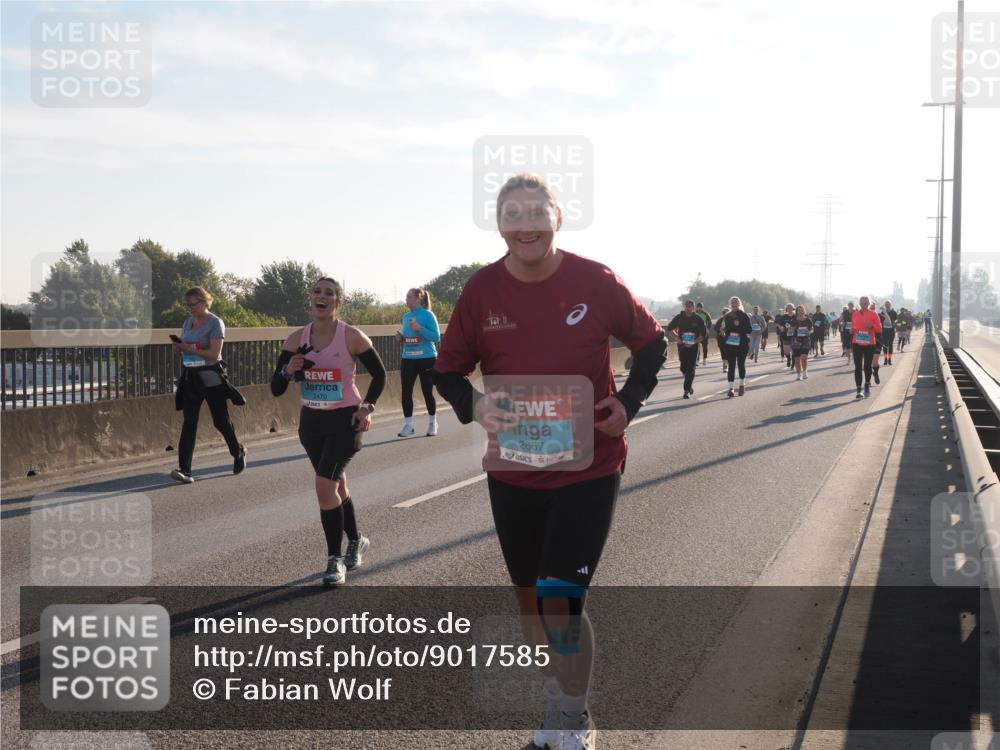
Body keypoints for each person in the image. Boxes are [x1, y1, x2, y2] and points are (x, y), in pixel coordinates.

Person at [432, 173, 666, 750]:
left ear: (557, 219)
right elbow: (446, 370)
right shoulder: (482, 290)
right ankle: (559, 698)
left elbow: (653, 343)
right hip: (513, 468)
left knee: (561, 595)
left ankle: (572, 717)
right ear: (500, 225)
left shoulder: (595, 279)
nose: (526, 224)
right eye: (513, 214)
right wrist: (477, 403)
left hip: (590, 463)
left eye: (537, 213)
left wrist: (628, 402)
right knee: (532, 603)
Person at [270, 277, 387, 586]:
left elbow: (380, 375)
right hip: (311, 424)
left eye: (329, 293)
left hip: (344, 421)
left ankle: (335, 561)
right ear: (311, 299)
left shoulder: (351, 336)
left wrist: (367, 407)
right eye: (317, 291)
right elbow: (276, 387)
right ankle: (357, 540)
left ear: (338, 302)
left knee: (324, 487)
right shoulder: (296, 339)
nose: (322, 296)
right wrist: (287, 370)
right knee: (336, 487)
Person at [170, 287, 246, 484]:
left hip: (211, 376)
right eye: (187, 305)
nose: (189, 308)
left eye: (193, 304)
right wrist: (179, 348)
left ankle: (237, 451)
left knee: (220, 421)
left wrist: (189, 349)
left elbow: (213, 354)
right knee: (189, 422)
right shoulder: (188, 322)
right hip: (191, 376)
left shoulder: (215, 323)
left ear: (205, 302)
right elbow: (185, 348)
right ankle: (185, 469)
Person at [397, 287, 441, 437]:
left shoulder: (428, 315)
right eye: (406, 297)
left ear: (418, 299)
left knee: (427, 392)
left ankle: (432, 422)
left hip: (426, 358)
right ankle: (408, 425)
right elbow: (409, 337)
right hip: (408, 358)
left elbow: (436, 337)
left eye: (409, 297)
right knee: (406, 393)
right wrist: (401, 337)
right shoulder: (405, 316)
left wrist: (419, 328)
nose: (406, 299)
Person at [667, 300, 707, 398]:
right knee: (683, 367)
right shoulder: (679, 317)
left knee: (691, 368)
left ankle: (686, 391)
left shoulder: (698, 319)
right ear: (684, 307)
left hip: (693, 346)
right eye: (686, 306)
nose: (688, 308)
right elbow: (669, 330)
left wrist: (694, 342)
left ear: (693, 308)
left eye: (690, 306)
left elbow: (703, 335)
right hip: (682, 346)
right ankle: (689, 385)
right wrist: (677, 338)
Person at [851, 296, 882, 399]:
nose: (863, 305)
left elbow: (879, 330)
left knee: (867, 367)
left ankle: (867, 385)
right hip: (857, 343)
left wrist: (872, 326)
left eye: (865, 303)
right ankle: (859, 390)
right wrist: (852, 330)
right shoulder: (855, 314)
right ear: (859, 303)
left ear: (868, 304)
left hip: (869, 344)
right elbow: (853, 327)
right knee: (858, 367)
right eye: (862, 303)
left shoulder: (874, 314)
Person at [721, 296, 752, 397]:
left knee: (741, 364)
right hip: (730, 343)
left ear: (739, 304)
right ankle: (731, 388)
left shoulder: (744, 315)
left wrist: (739, 326)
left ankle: (742, 385)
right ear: (730, 304)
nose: (734, 304)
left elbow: (749, 330)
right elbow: (724, 329)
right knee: (731, 366)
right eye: (732, 302)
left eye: (736, 302)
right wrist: (724, 330)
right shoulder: (727, 316)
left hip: (742, 343)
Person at [790, 305, 814, 380]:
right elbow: (790, 331)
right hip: (796, 341)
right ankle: (798, 374)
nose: (800, 312)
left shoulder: (808, 320)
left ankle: (804, 372)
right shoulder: (794, 320)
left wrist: (809, 332)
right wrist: (792, 329)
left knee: (804, 358)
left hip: (805, 341)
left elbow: (812, 329)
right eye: (799, 310)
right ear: (797, 311)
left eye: (802, 310)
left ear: (804, 311)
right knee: (797, 359)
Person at [694, 302, 712, 367]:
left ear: (702, 308)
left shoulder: (706, 314)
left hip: (704, 332)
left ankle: (704, 359)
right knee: (696, 347)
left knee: (705, 346)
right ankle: (697, 360)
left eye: (700, 307)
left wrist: (707, 329)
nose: (699, 308)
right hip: (697, 333)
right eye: (698, 307)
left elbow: (709, 322)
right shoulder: (694, 314)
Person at [880, 300, 897, 366]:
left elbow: (895, 320)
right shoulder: (882, 312)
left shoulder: (894, 312)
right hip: (884, 331)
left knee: (890, 345)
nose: (887, 305)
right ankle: (885, 359)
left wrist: (894, 326)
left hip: (891, 330)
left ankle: (889, 359)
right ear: (885, 305)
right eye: (886, 304)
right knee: (885, 345)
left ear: (890, 305)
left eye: (888, 304)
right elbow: (881, 321)